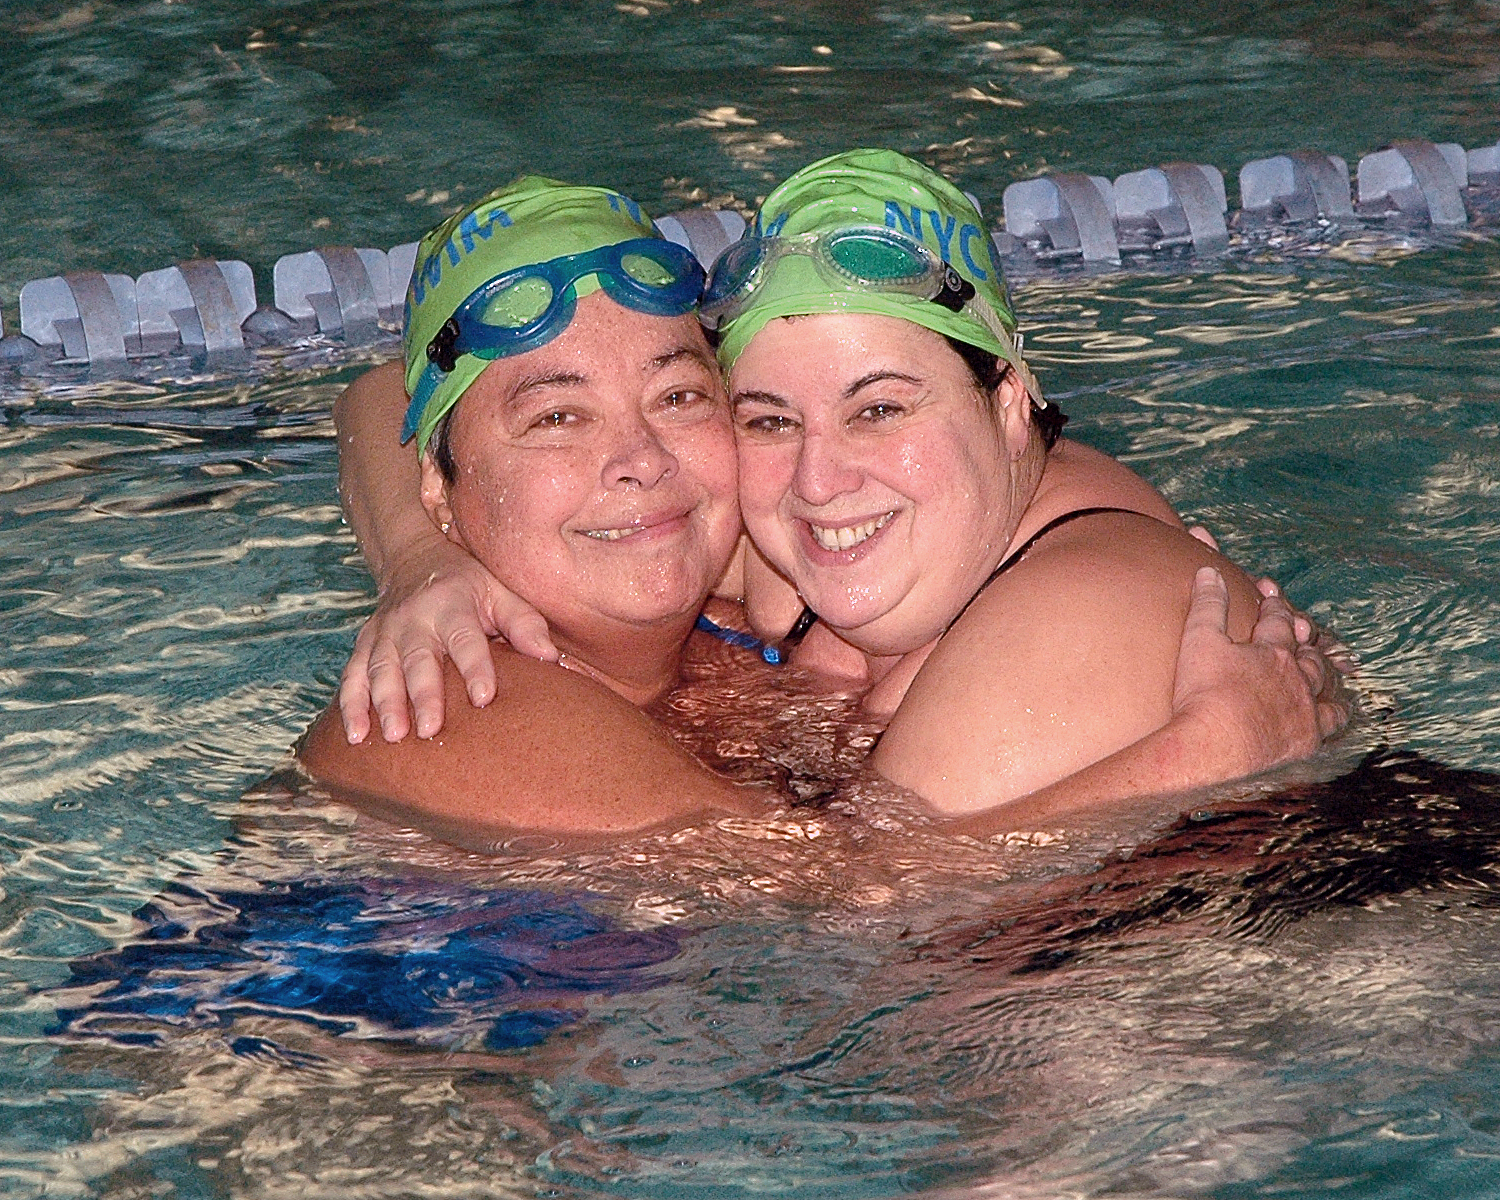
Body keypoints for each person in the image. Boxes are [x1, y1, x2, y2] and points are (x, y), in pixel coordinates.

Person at [302, 170, 1344, 841]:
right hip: (340, 1021)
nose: (638, 460)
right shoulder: (447, 706)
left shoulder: (726, 549)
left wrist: (422, 553)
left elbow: (401, 395)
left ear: (1010, 405)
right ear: (441, 486)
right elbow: (842, 910)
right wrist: (1203, 756)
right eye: (557, 421)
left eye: (677, 397)